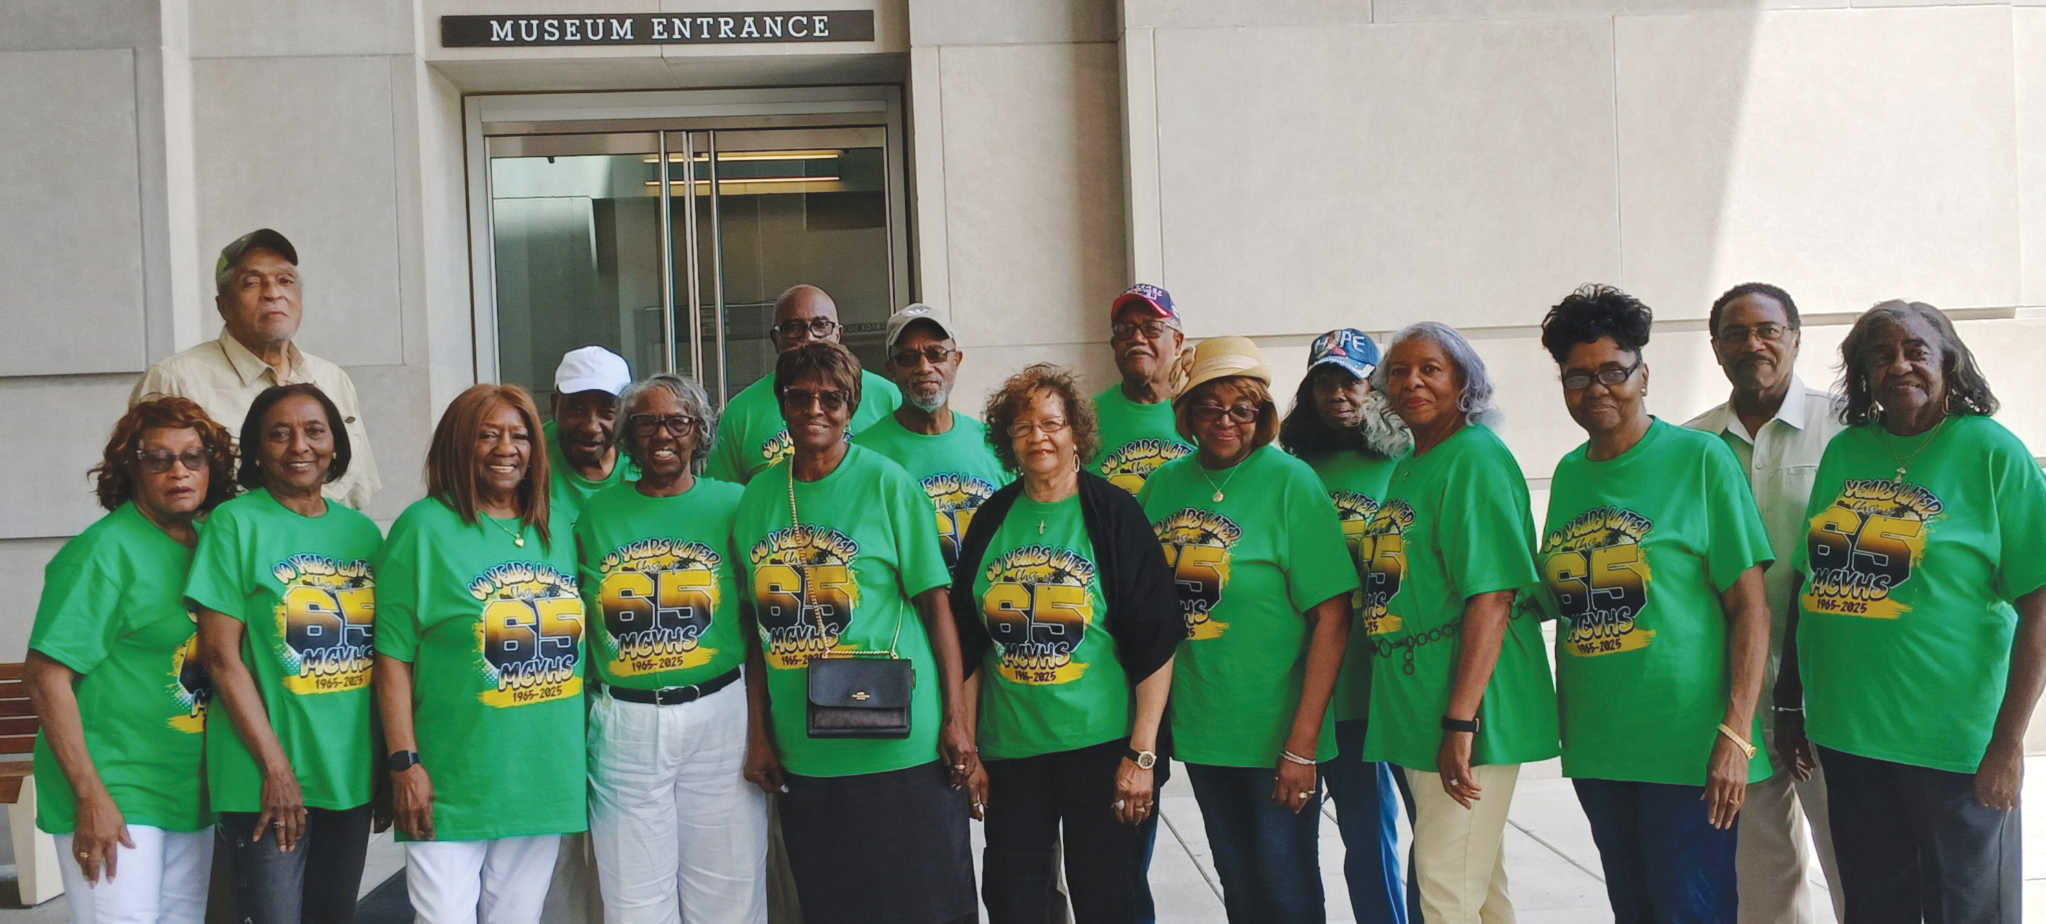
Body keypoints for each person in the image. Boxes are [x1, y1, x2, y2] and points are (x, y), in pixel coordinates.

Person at [1775, 301, 2046, 923]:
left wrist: (2008, 744)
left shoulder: (1992, 452)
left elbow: (2040, 605)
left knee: (1970, 911)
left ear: (1947, 361)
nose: (1899, 366)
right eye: (1880, 356)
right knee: (1876, 908)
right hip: (1849, 735)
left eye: (1916, 351)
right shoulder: (1846, 452)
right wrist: (1790, 703)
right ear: (1863, 374)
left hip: (1953, 746)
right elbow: (1809, 583)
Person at [1533, 286, 1773, 923]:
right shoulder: (1570, 473)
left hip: (1686, 746)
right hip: (1598, 743)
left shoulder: (1700, 459)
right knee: (1633, 910)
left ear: (1644, 375)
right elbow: (1558, 594)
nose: (1598, 389)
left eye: (1614, 371)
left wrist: (1736, 735)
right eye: (1579, 376)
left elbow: (1751, 608)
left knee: (1691, 911)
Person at [732, 341, 978, 924]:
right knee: (834, 906)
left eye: (832, 398)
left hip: (901, 743)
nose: (815, 409)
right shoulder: (758, 497)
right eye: (800, 396)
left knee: (928, 906)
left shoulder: (887, 484)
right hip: (807, 749)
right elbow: (753, 631)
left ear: (852, 407)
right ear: (781, 404)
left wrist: (956, 718)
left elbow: (936, 608)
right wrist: (760, 734)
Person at [1137, 336, 1357, 923]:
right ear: (1187, 413)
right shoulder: (1162, 486)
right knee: (1239, 886)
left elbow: (1332, 616)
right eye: (1210, 407)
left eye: (1243, 408)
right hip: (1203, 728)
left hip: (1277, 733)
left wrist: (1302, 746)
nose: (1226, 421)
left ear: (1264, 415)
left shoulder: (1291, 482)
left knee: (1287, 890)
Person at [951, 364, 1182, 924]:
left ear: (1076, 431)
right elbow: (969, 642)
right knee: (1015, 901)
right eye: (1023, 426)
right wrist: (971, 748)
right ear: (1007, 440)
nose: (1039, 437)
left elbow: (1156, 639)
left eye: (1052, 423)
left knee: (1111, 900)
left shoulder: (1113, 513)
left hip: (1102, 750)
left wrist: (1142, 755)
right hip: (1012, 752)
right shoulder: (991, 517)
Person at [1359, 322, 1558, 924]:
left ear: (1465, 381)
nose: (1412, 382)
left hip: (1472, 701)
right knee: (1478, 883)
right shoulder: (1413, 462)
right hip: (1422, 695)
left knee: (1444, 887)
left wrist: (1460, 721)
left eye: (1430, 369)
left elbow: (1492, 596)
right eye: (1399, 371)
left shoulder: (1474, 458)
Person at [372, 384, 588, 924]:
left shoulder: (556, 527)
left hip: (541, 775)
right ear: (458, 443)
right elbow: (392, 658)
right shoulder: (422, 528)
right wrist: (404, 763)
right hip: (451, 779)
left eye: (519, 436)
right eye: (488, 435)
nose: (505, 448)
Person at [24, 396, 235, 924]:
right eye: (157, 458)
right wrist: (90, 795)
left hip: (189, 791)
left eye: (193, 456)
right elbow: (46, 678)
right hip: (114, 788)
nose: (178, 471)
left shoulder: (210, 543)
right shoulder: (102, 551)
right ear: (130, 468)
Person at [182, 384, 383, 924]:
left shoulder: (363, 534)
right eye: (279, 434)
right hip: (262, 775)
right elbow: (220, 658)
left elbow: (382, 658)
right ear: (255, 449)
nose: (299, 446)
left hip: (347, 773)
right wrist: (276, 769)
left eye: (314, 431)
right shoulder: (234, 524)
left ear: (336, 444)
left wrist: (386, 764)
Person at [1683, 282, 1848, 924]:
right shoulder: (1692, 445)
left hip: (1828, 692)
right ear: (1716, 348)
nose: (1753, 344)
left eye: (1768, 330)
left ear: (1795, 339)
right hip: (1737, 696)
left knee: (1856, 869)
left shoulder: (1848, 431)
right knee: (1761, 881)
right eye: (1735, 333)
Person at [575, 373, 765, 924]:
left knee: (729, 895)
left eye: (679, 421)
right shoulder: (595, 516)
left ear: (699, 431)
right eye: (647, 422)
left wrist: (761, 731)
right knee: (635, 901)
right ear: (628, 436)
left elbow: (758, 624)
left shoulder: (734, 504)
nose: (663, 434)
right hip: (627, 724)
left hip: (720, 714)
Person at [1278, 329, 1418, 924]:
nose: (1339, 393)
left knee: (1392, 835)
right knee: (1329, 838)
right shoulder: (1293, 470)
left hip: (1388, 681)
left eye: (1352, 381)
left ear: (1375, 389)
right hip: (1321, 685)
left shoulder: (1405, 461)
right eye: (1325, 382)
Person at [132, 228, 381, 509]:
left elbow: (360, 489)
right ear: (223, 306)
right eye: (251, 283)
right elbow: (146, 498)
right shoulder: (176, 379)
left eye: (285, 281)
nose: (273, 294)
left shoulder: (332, 378)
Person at [854, 304, 1008, 570]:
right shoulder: (861, 455)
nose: (924, 367)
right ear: (891, 368)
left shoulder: (995, 444)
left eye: (936, 354)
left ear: (956, 360)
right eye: (907, 358)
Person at [705, 285, 901, 485]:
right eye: (793, 327)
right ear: (776, 339)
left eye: (821, 325)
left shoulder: (887, 396)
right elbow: (724, 498)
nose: (809, 338)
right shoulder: (741, 412)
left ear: (838, 334)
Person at [1087, 285, 1192, 495]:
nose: (1137, 338)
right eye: (1124, 329)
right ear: (1114, 344)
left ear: (1177, 342)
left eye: (1152, 328)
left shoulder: (1204, 412)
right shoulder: (1086, 418)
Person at [546, 345, 637, 524]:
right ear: (555, 406)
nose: (591, 427)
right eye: (577, 410)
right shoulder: (530, 457)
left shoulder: (642, 460)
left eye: (607, 412)